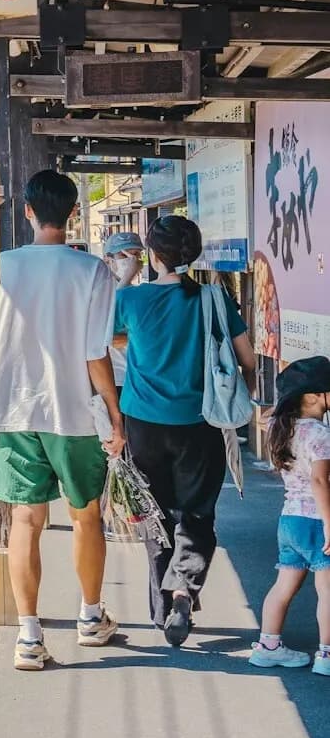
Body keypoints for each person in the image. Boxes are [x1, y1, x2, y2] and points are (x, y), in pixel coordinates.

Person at [0, 170, 124, 671]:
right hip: (74, 414)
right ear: (74, 213)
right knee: (87, 516)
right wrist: (115, 415)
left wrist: (0, 404)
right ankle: (90, 616)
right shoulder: (93, 272)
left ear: (27, 212)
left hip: (15, 413)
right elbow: (94, 354)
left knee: (25, 520)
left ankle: (30, 637)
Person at [114, 216, 255, 646]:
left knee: (156, 515)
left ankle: (162, 610)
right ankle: (183, 591)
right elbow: (246, 360)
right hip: (200, 423)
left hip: (143, 425)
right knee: (195, 513)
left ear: (153, 255)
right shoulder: (213, 297)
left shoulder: (131, 301)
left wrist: (126, 279)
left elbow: (112, 341)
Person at [252, 357, 330, 672]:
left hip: (290, 521)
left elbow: (268, 418)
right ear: (312, 396)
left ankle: (268, 645)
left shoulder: (281, 427)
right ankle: (326, 655)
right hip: (316, 521)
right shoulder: (321, 435)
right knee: (326, 591)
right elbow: (320, 480)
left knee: (283, 587)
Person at [102, 232, 146, 395]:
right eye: (124, 254)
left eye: (135, 254)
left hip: (138, 377)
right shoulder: (101, 290)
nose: (131, 260)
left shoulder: (137, 292)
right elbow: (108, 339)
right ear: (108, 259)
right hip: (115, 378)